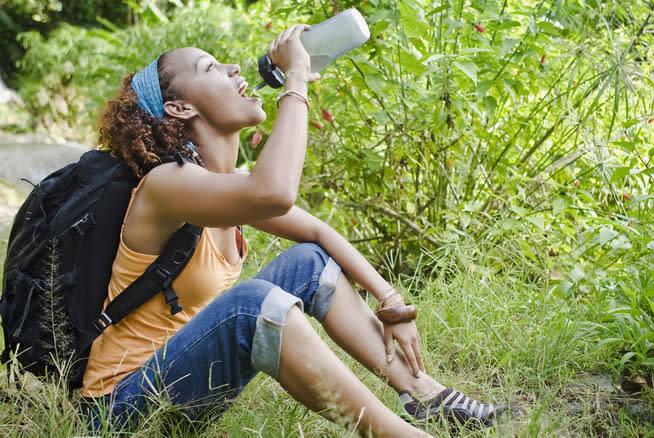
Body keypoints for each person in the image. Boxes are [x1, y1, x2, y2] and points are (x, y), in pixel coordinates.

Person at [82, 24, 511, 437]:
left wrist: (392, 302)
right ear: (180, 108)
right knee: (251, 303)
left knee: (309, 261)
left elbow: (320, 234)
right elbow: (275, 192)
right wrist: (297, 77)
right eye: (210, 67)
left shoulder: (223, 188)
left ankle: (424, 395)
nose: (234, 69)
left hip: (184, 383)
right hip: (122, 410)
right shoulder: (166, 184)